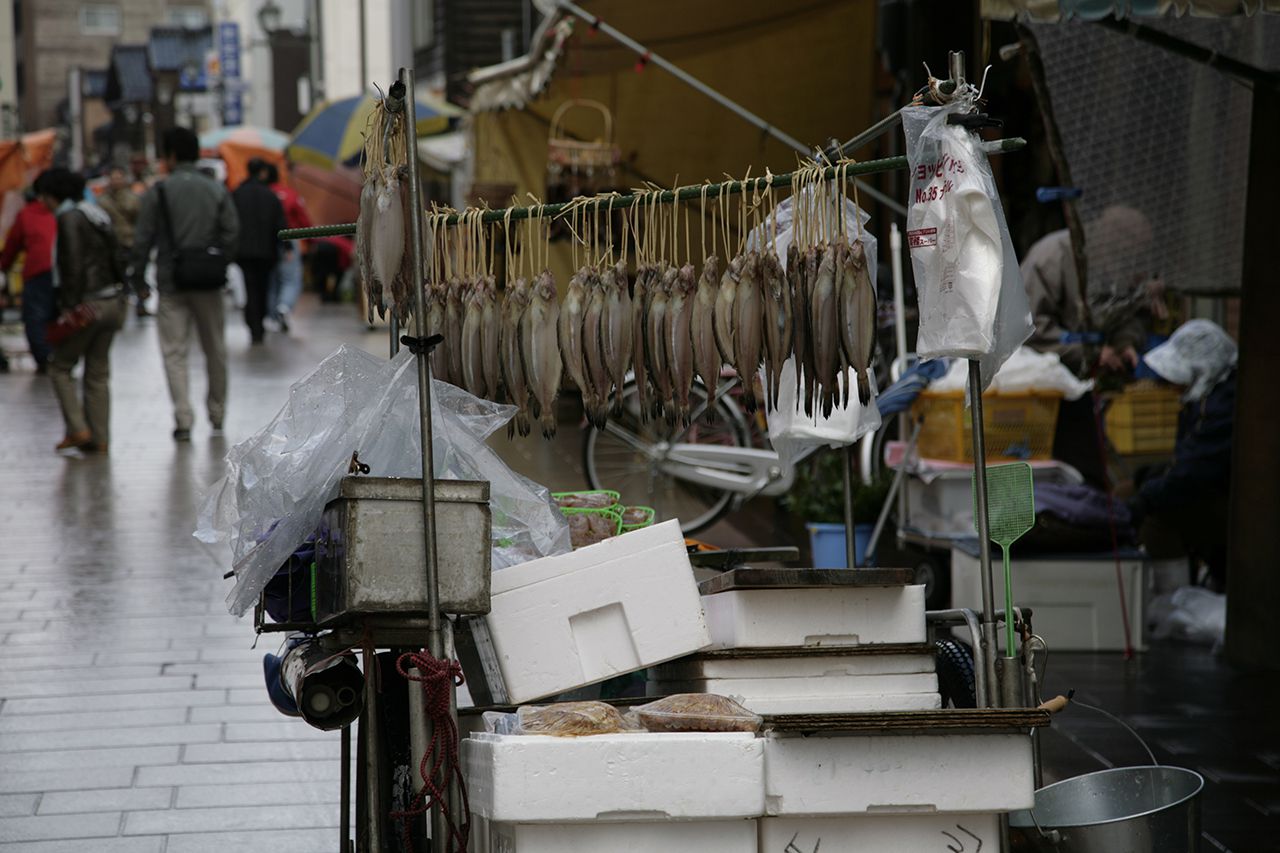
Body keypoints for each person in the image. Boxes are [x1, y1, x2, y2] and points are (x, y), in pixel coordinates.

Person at [1020, 205, 1165, 487]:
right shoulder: (1053, 255)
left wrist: (1125, 344)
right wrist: (1092, 352)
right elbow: (1029, 327)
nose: (1134, 255)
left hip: (1087, 379)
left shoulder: (1123, 262)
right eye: (1132, 246)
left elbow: (1130, 312)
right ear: (1115, 237)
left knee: (1087, 459)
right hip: (1043, 380)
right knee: (1066, 458)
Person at [131, 126, 240, 442]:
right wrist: (218, 260)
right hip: (208, 282)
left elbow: (142, 240)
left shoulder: (158, 192)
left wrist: (138, 278)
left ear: (171, 155)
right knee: (215, 349)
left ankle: (183, 417)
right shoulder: (215, 189)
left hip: (171, 281)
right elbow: (232, 231)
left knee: (174, 352)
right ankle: (217, 414)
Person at [1127, 320, 1236, 588]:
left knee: (1157, 520)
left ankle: (1174, 600)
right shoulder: (1210, 396)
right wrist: (1154, 475)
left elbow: (1195, 472)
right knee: (1130, 489)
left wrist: (1147, 497)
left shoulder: (1221, 406)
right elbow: (1190, 458)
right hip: (1215, 489)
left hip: (1231, 505)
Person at [40, 168, 127, 453]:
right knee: (98, 372)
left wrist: (68, 306)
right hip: (111, 301)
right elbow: (117, 256)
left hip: (88, 304)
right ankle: (100, 438)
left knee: (59, 366)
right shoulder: (97, 213)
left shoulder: (69, 218)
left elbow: (72, 265)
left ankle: (78, 429)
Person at [0, 171, 58, 373]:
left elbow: (12, 246)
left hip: (37, 271)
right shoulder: (57, 212)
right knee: (55, 313)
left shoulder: (26, 215)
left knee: (35, 316)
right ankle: (57, 353)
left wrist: (4, 266)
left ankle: (44, 357)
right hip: (60, 271)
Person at [230, 158, 285, 344]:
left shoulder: (237, 194)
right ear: (262, 172)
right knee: (262, 287)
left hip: (243, 251)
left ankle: (253, 322)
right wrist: (284, 247)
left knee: (250, 286)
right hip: (266, 251)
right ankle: (258, 322)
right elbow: (280, 224)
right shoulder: (270, 195)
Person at [265, 162, 311, 331]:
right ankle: (284, 306)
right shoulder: (290, 194)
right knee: (290, 279)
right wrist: (310, 241)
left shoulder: (264, 194)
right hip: (290, 239)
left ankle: (271, 316)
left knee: (272, 281)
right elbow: (304, 219)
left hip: (267, 241)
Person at [97, 164, 147, 317]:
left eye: (119, 178)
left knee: (137, 274)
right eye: (113, 178)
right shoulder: (103, 200)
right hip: (113, 243)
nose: (116, 181)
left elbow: (140, 220)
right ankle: (122, 302)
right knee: (118, 276)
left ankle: (140, 303)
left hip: (131, 241)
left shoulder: (133, 198)